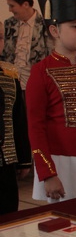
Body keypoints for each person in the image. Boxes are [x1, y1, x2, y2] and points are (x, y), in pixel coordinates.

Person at [27, 0, 76, 203]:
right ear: (54, 31)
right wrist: (47, 173)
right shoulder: (41, 71)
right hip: (62, 163)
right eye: (75, 26)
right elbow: (35, 126)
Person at [1, 0, 51, 92]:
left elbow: (49, 56)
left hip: (36, 85)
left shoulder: (45, 25)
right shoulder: (9, 24)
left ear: (25, 4)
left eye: (12, 6)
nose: (9, 9)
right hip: (12, 86)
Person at [0, 61, 31, 214]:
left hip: (7, 158)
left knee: (8, 214)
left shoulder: (9, 74)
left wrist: (24, 160)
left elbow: (18, 119)